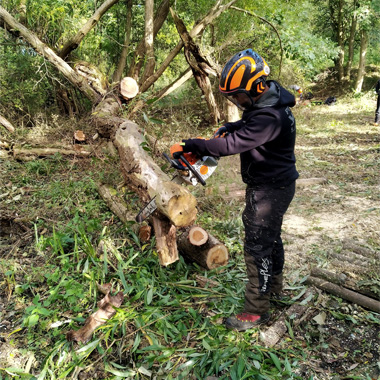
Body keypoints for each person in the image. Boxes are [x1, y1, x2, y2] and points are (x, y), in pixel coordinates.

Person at [171, 49, 299, 332]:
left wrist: (194, 144)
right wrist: (232, 125)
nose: (237, 102)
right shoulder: (271, 100)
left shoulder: (270, 118)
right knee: (269, 238)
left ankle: (256, 310)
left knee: (257, 245)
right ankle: (274, 288)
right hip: (275, 185)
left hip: (269, 190)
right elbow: (249, 123)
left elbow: (231, 146)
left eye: (239, 96)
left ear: (257, 86)